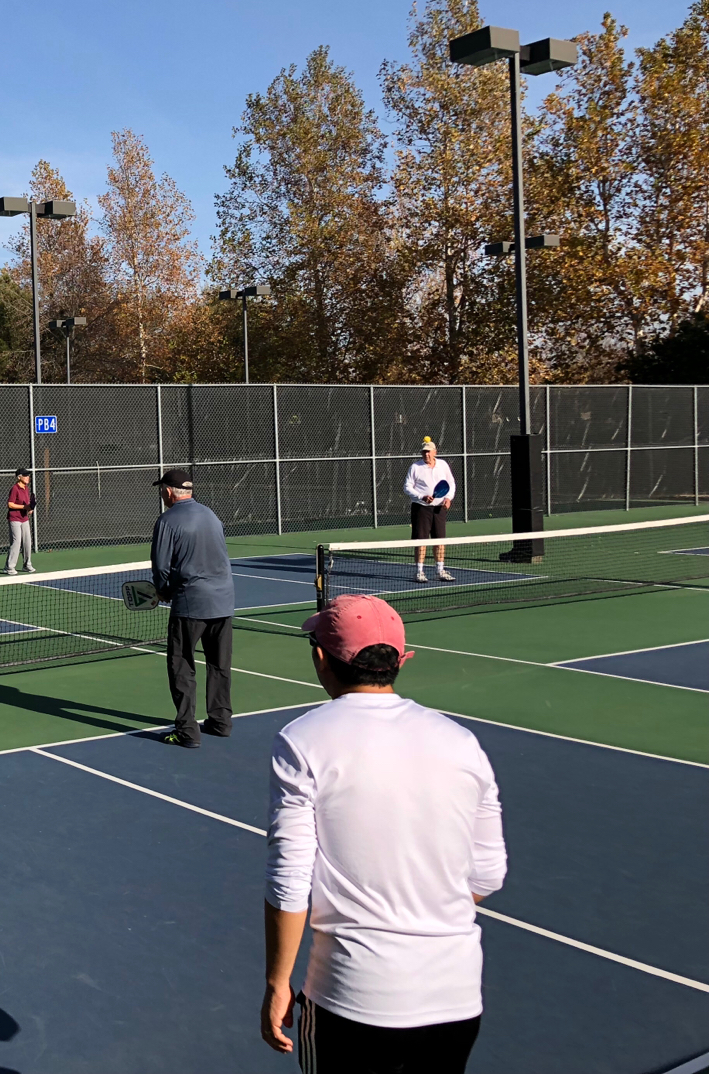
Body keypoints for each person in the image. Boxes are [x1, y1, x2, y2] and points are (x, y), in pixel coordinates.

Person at [261, 593, 506, 1073]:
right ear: (398, 660)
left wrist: (277, 983)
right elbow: (488, 875)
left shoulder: (301, 740)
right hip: (455, 999)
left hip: (351, 997)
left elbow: (289, 881)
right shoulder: (462, 742)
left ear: (320, 658)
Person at [149, 469, 235, 746]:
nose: (161, 493)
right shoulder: (211, 515)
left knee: (182, 667)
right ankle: (221, 722)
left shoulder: (167, 520)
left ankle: (187, 731)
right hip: (223, 601)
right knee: (219, 666)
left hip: (190, 604)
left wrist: (162, 591)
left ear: (169, 491)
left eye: (162, 488)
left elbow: (161, 566)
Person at [404, 437, 457, 583]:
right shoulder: (415, 467)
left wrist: (448, 498)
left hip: (439, 509)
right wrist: (421, 496)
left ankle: (440, 570)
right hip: (421, 509)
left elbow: (450, 483)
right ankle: (419, 572)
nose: (426, 454)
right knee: (421, 541)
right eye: (424, 452)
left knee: (440, 540)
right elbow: (407, 487)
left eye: (428, 451)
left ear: (434, 452)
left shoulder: (443, 465)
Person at [4, 468, 35, 575]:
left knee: (27, 542)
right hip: (14, 519)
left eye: (28, 476)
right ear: (19, 477)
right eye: (25, 476)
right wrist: (24, 506)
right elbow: (10, 504)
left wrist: (29, 508)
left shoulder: (26, 488)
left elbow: (26, 503)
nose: (28, 477)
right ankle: (9, 567)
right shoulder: (15, 489)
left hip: (24, 519)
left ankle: (27, 565)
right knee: (16, 542)